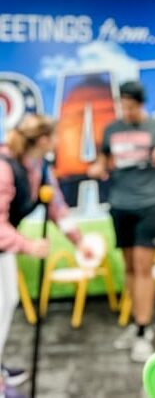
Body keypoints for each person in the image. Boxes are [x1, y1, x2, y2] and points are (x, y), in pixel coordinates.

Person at [88, 80, 155, 363]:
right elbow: (103, 161)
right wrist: (97, 168)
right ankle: (136, 322)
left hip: (149, 204)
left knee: (143, 268)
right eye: (123, 105)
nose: (126, 111)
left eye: (131, 106)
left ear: (140, 104)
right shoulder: (112, 129)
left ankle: (144, 330)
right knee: (129, 267)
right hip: (120, 205)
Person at [0, 114, 86, 398]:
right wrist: (27, 245)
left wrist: (79, 241)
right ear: (44, 140)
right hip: (6, 243)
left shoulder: (40, 167)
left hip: (4, 250)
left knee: (7, 302)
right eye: (56, 136)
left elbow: (57, 207)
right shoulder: (4, 167)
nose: (60, 141)